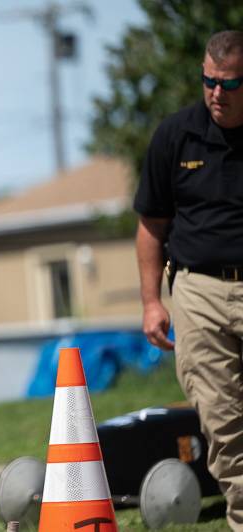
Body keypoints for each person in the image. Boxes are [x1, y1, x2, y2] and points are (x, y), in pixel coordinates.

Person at [135, 30, 243, 529]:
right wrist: (152, 302)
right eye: (209, 81)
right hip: (198, 291)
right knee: (223, 423)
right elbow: (151, 226)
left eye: (231, 83)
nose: (217, 93)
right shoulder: (176, 135)